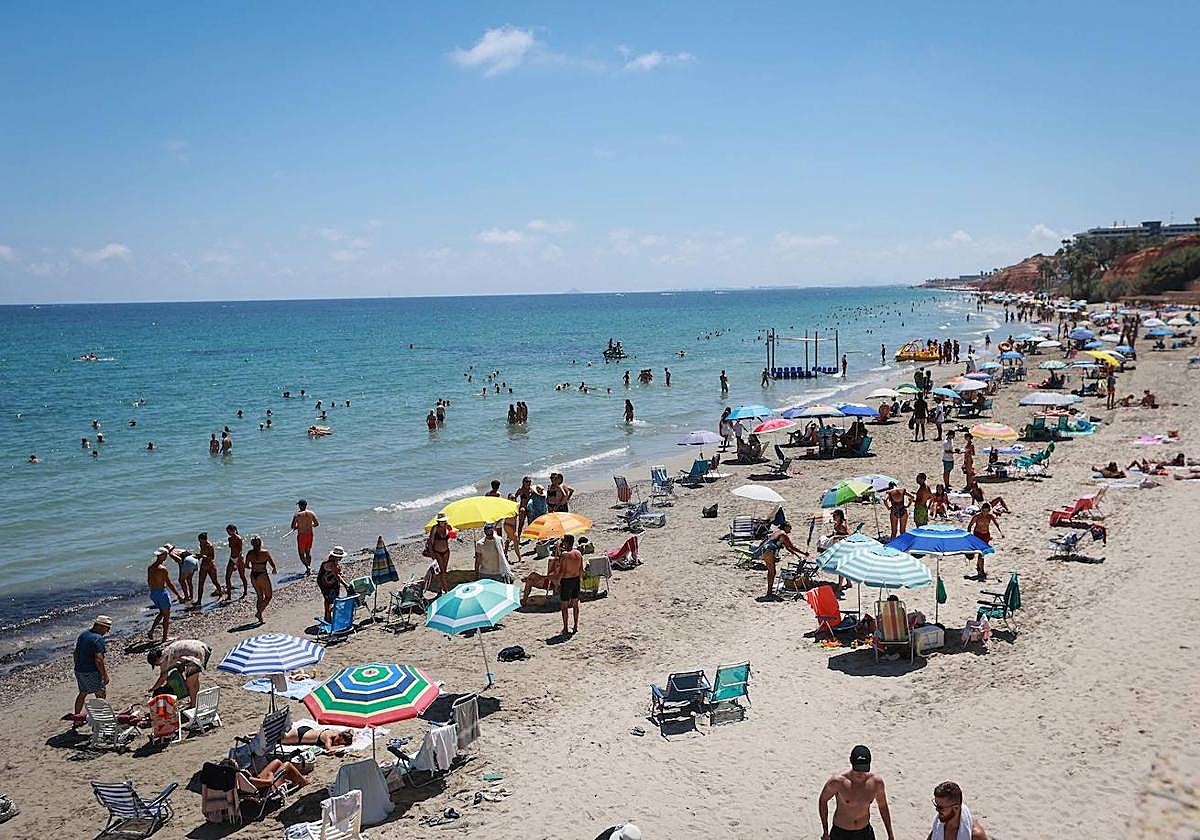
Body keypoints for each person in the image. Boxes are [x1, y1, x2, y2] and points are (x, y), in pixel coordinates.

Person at [818, 745, 896, 840]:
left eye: (863, 768)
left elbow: (883, 806)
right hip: (841, 833)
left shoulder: (876, 783)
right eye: (857, 768)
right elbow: (823, 800)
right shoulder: (838, 782)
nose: (860, 772)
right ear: (851, 761)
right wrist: (825, 831)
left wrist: (890, 835)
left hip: (864, 832)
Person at [72, 615, 112, 722]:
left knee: (83, 693)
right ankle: (101, 717)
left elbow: (75, 653)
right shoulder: (97, 639)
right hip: (92, 671)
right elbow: (99, 659)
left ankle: (77, 718)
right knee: (100, 694)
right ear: (100, 626)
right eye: (107, 628)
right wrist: (105, 675)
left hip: (79, 669)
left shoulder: (83, 635)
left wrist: (78, 665)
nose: (107, 631)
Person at [760, 522, 804, 601]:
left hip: (765, 551)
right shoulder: (783, 534)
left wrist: (797, 555)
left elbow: (788, 548)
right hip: (770, 551)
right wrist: (804, 553)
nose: (790, 531)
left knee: (771, 572)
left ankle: (769, 591)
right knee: (772, 572)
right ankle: (769, 592)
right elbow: (792, 546)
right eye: (789, 529)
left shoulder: (777, 532)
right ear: (786, 527)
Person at [147, 548, 182, 643]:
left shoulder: (150, 567)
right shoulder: (162, 569)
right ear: (163, 556)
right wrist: (178, 594)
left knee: (162, 612)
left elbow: (149, 581)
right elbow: (169, 583)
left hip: (153, 593)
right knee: (166, 616)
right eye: (165, 555)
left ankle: (151, 631)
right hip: (162, 593)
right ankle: (165, 638)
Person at [219, 756, 308, 793]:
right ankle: (303, 782)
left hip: (256, 785)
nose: (236, 761)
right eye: (235, 762)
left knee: (277, 762)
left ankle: (294, 778)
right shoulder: (244, 778)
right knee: (287, 765)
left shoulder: (231, 779)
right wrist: (270, 774)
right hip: (266, 789)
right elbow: (269, 782)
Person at [555, 533, 585, 636]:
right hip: (576, 580)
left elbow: (562, 571)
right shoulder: (578, 553)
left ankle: (566, 628)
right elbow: (581, 570)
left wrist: (557, 583)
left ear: (566, 543)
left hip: (566, 581)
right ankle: (575, 626)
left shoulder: (565, 555)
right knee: (575, 605)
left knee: (564, 606)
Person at [246, 534, 277, 623]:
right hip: (262, 575)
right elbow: (272, 564)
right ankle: (259, 613)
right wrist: (274, 569)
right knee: (268, 596)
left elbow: (246, 565)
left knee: (259, 596)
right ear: (261, 543)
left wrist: (253, 566)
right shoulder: (265, 552)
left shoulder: (249, 553)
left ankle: (260, 617)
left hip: (253, 576)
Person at [967, 502, 1003, 580]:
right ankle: (981, 570)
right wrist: (969, 536)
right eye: (983, 511)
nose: (985, 513)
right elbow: (970, 526)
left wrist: (1001, 532)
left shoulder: (990, 516)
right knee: (980, 553)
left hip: (986, 535)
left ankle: (979, 567)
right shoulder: (977, 516)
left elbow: (996, 524)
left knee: (982, 553)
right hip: (977, 535)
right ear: (981, 510)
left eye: (987, 511)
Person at [316, 547, 352, 622]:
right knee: (329, 600)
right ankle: (328, 617)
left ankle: (328, 616)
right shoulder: (331, 563)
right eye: (341, 556)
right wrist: (345, 585)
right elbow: (337, 576)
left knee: (330, 599)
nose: (342, 558)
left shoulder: (331, 559)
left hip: (329, 580)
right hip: (326, 583)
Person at [291, 499, 319, 575]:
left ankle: (307, 567)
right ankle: (308, 568)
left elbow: (292, 526)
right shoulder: (311, 513)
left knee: (301, 554)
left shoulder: (297, 515)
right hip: (310, 535)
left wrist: (298, 527)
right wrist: (310, 525)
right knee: (308, 552)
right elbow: (316, 524)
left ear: (300, 506)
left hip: (302, 536)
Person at [281, 724, 354, 754]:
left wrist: (351, 736)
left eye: (340, 743)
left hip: (308, 730)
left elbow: (351, 730)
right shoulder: (328, 736)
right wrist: (342, 746)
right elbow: (329, 749)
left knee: (281, 735)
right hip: (299, 736)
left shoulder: (339, 733)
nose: (337, 743)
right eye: (338, 741)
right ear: (340, 736)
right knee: (278, 740)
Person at [427, 513, 452, 595]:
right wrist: (432, 553)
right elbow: (431, 541)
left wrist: (451, 530)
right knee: (442, 571)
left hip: (446, 551)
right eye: (441, 521)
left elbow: (453, 536)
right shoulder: (435, 528)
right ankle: (446, 589)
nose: (443, 522)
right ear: (438, 521)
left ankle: (440, 588)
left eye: (444, 521)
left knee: (444, 571)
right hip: (437, 552)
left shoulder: (448, 527)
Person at [195, 532, 222, 605]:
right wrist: (199, 556)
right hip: (203, 565)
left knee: (214, 581)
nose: (199, 542)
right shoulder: (201, 545)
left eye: (200, 540)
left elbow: (212, 557)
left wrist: (202, 556)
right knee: (200, 583)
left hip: (210, 566)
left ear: (204, 540)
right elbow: (203, 554)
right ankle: (199, 601)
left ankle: (220, 594)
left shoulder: (210, 546)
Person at [224, 523, 247, 600]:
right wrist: (232, 560)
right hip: (232, 558)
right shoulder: (230, 539)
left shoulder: (239, 538)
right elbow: (232, 550)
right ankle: (229, 596)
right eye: (227, 532)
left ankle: (245, 592)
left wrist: (236, 563)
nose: (228, 533)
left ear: (233, 530)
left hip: (239, 558)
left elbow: (240, 551)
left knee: (242, 576)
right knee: (227, 577)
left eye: (229, 531)